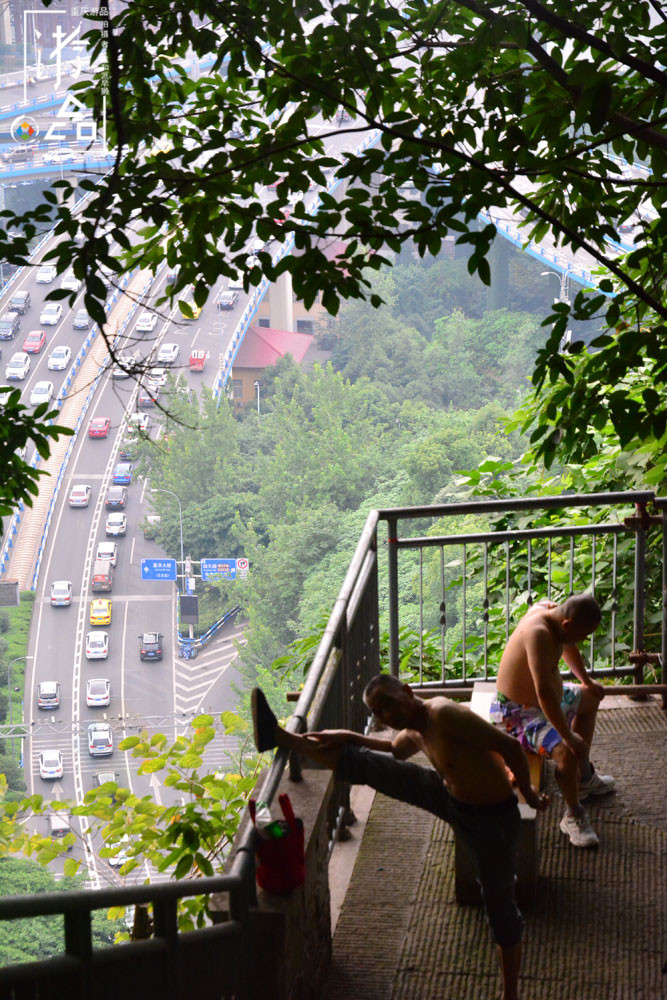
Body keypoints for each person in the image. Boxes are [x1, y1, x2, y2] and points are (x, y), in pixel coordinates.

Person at [252, 677, 549, 1000]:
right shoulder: (415, 730)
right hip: (451, 800)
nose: (386, 716)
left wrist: (529, 796)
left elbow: (508, 746)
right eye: (378, 712)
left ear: (407, 692)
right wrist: (347, 736)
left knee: (499, 907)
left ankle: (511, 995)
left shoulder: (444, 714)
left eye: (389, 704)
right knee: (362, 763)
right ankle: (279, 736)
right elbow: (395, 750)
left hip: (491, 821)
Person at [491, 593, 615, 849]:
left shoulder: (552, 613)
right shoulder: (538, 633)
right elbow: (544, 693)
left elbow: (568, 646)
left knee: (591, 697)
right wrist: (568, 736)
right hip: (517, 715)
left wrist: (587, 682)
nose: (581, 641)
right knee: (565, 753)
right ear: (567, 625)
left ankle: (582, 778)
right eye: (581, 635)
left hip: (545, 703)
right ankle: (573, 815)